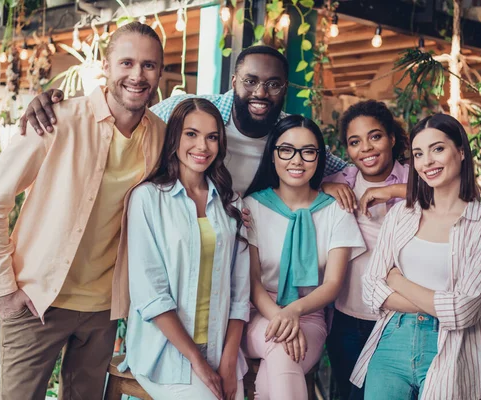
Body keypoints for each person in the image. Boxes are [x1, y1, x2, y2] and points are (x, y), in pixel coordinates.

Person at [0, 22, 167, 400]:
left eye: (149, 65)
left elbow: (204, 129)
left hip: (103, 309)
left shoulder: (161, 134)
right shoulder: (55, 120)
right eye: (126, 63)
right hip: (37, 300)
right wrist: (6, 291)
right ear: (106, 67)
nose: (137, 75)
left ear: (160, 72)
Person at [18, 45, 348, 195]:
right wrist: (59, 106)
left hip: (247, 248)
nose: (261, 92)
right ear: (234, 82)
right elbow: (127, 119)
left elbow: (342, 168)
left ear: (284, 89)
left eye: (273, 84)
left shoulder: (290, 132)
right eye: (250, 81)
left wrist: (331, 185)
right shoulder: (194, 114)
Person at [351, 114, 481, 400]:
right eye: (418, 154)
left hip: (454, 346)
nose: (427, 162)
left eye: (437, 149)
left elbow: (463, 311)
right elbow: (371, 288)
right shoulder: (401, 214)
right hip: (392, 341)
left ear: (461, 151)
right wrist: (441, 301)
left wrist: (396, 280)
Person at [122, 98, 250, 400]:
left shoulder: (232, 204)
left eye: (212, 136)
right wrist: (197, 361)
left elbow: (240, 292)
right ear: (174, 137)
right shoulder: (147, 198)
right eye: (191, 134)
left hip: (220, 348)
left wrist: (229, 363)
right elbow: (150, 294)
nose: (202, 146)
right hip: (166, 353)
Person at [242, 115, 367, 400]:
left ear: (319, 158)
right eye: (286, 150)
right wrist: (281, 317)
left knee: (275, 370)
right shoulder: (253, 206)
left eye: (308, 152)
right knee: (281, 347)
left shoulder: (336, 210)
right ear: (273, 155)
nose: (297, 160)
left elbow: (333, 284)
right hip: (257, 314)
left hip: (309, 317)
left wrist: (294, 312)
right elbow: (253, 284)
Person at [321, 100, 410, 400]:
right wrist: (324, 188)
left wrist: (390, 191)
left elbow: (456, 193)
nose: (366, 149)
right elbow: (296, 184)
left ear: (392, 138)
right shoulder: (342, 181)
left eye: (375, 136)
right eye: (354, 142)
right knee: (348, 393)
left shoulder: (415, 179)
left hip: (396, 319)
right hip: (346, 317)